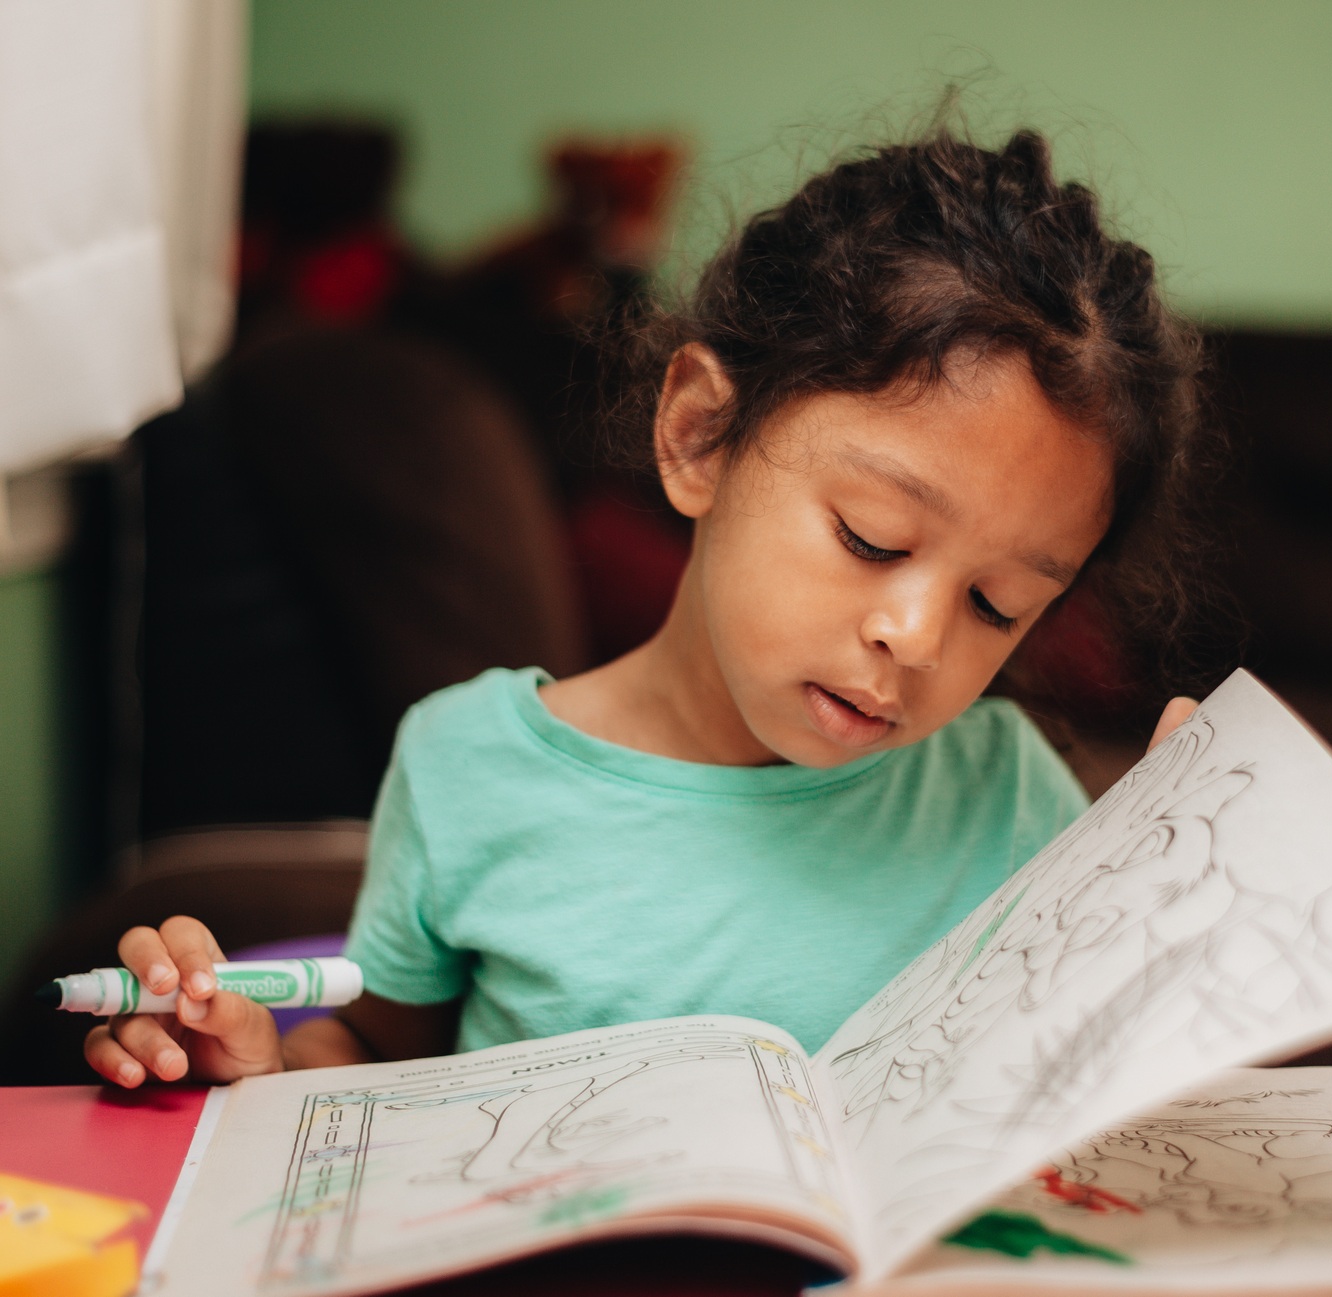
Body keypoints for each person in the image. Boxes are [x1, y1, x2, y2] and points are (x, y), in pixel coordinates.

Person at [82, 128, 1218, 1087]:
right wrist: (248, 1062)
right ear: (698, 437)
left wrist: (1167, 914)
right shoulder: (470, 767)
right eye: (871, 539)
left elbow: (1083, 1095)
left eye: (997, 602)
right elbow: (376, 1054)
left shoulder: (1003, 795)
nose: (913, 637)